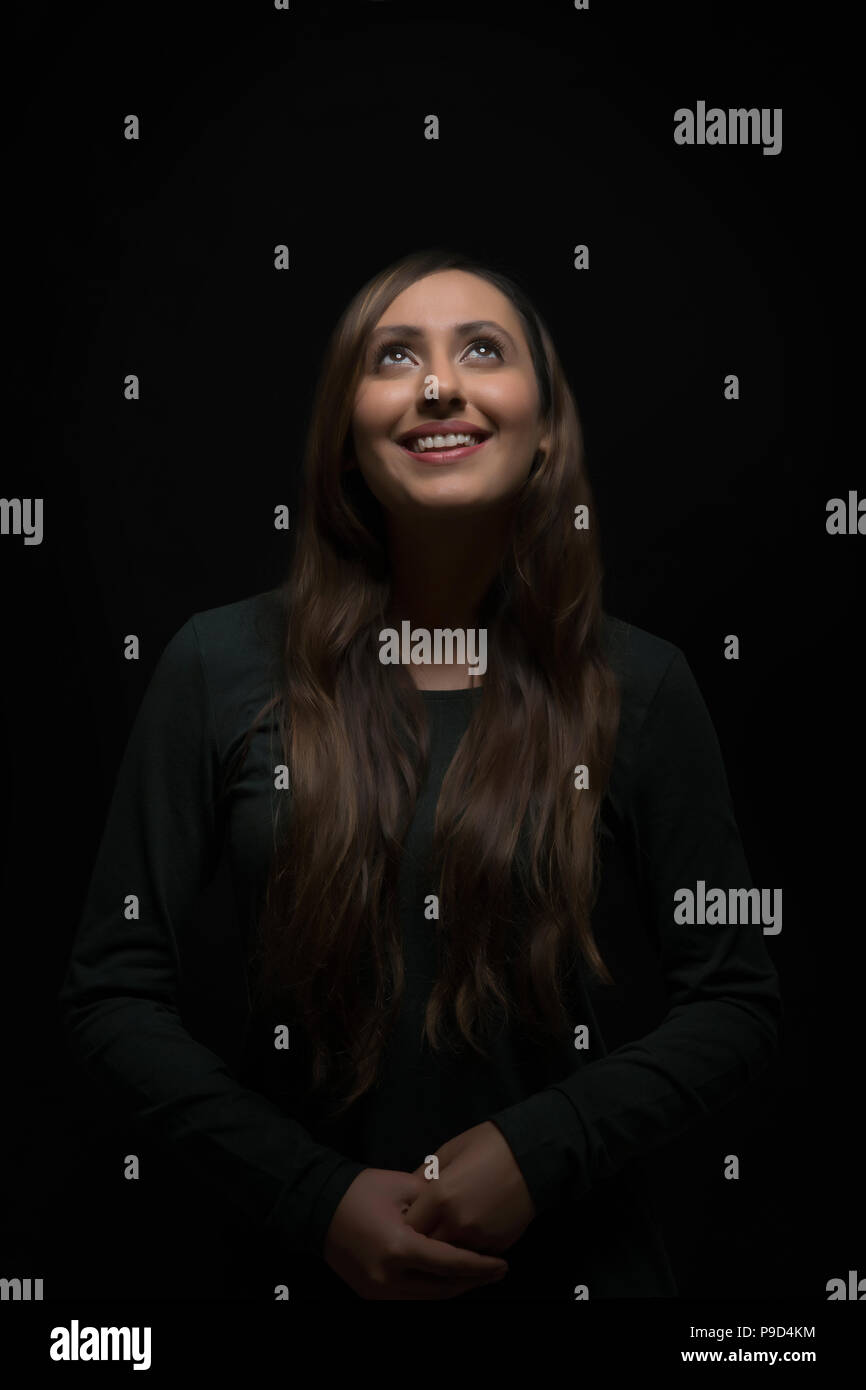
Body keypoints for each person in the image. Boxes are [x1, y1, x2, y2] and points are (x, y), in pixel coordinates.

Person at [58, 247, 782, 1301]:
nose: (437, 383)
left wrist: (541, 1148)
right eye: (393, 356)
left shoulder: (643, 685)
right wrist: (314, 1196)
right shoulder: (214, 666)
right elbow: (110, 990)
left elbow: (735, 997)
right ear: (346, 436)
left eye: (479, 350)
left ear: (544, 429)